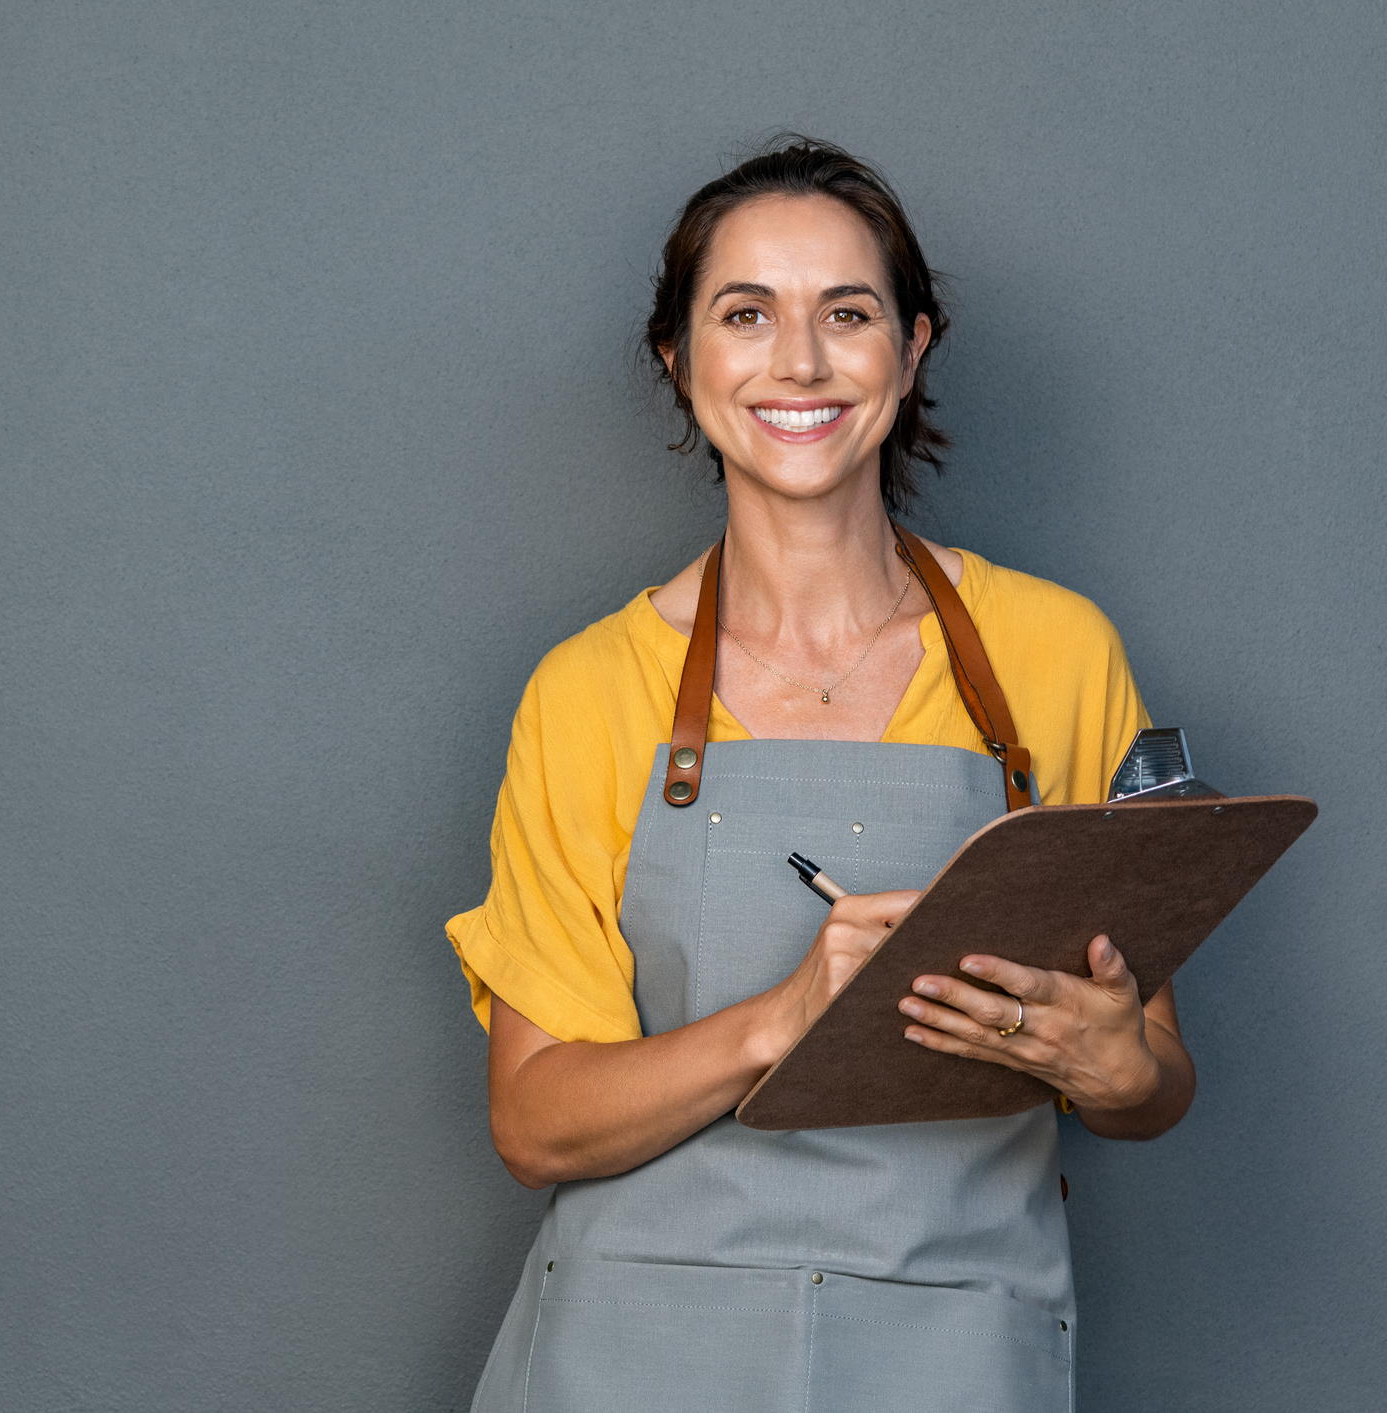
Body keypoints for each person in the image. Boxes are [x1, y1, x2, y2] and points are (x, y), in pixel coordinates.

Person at [446, 137, 1196, 1412]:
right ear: (681, 363)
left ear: (910, 349)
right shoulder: (588, 692)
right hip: (639, 1349)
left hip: (956, 1344)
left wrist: (1111, 1064)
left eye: (845, 314)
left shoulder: (1056, 656)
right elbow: (535, 1123)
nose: (799, 363)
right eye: (747, 315)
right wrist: (783, 1023)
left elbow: (1150, 1081)